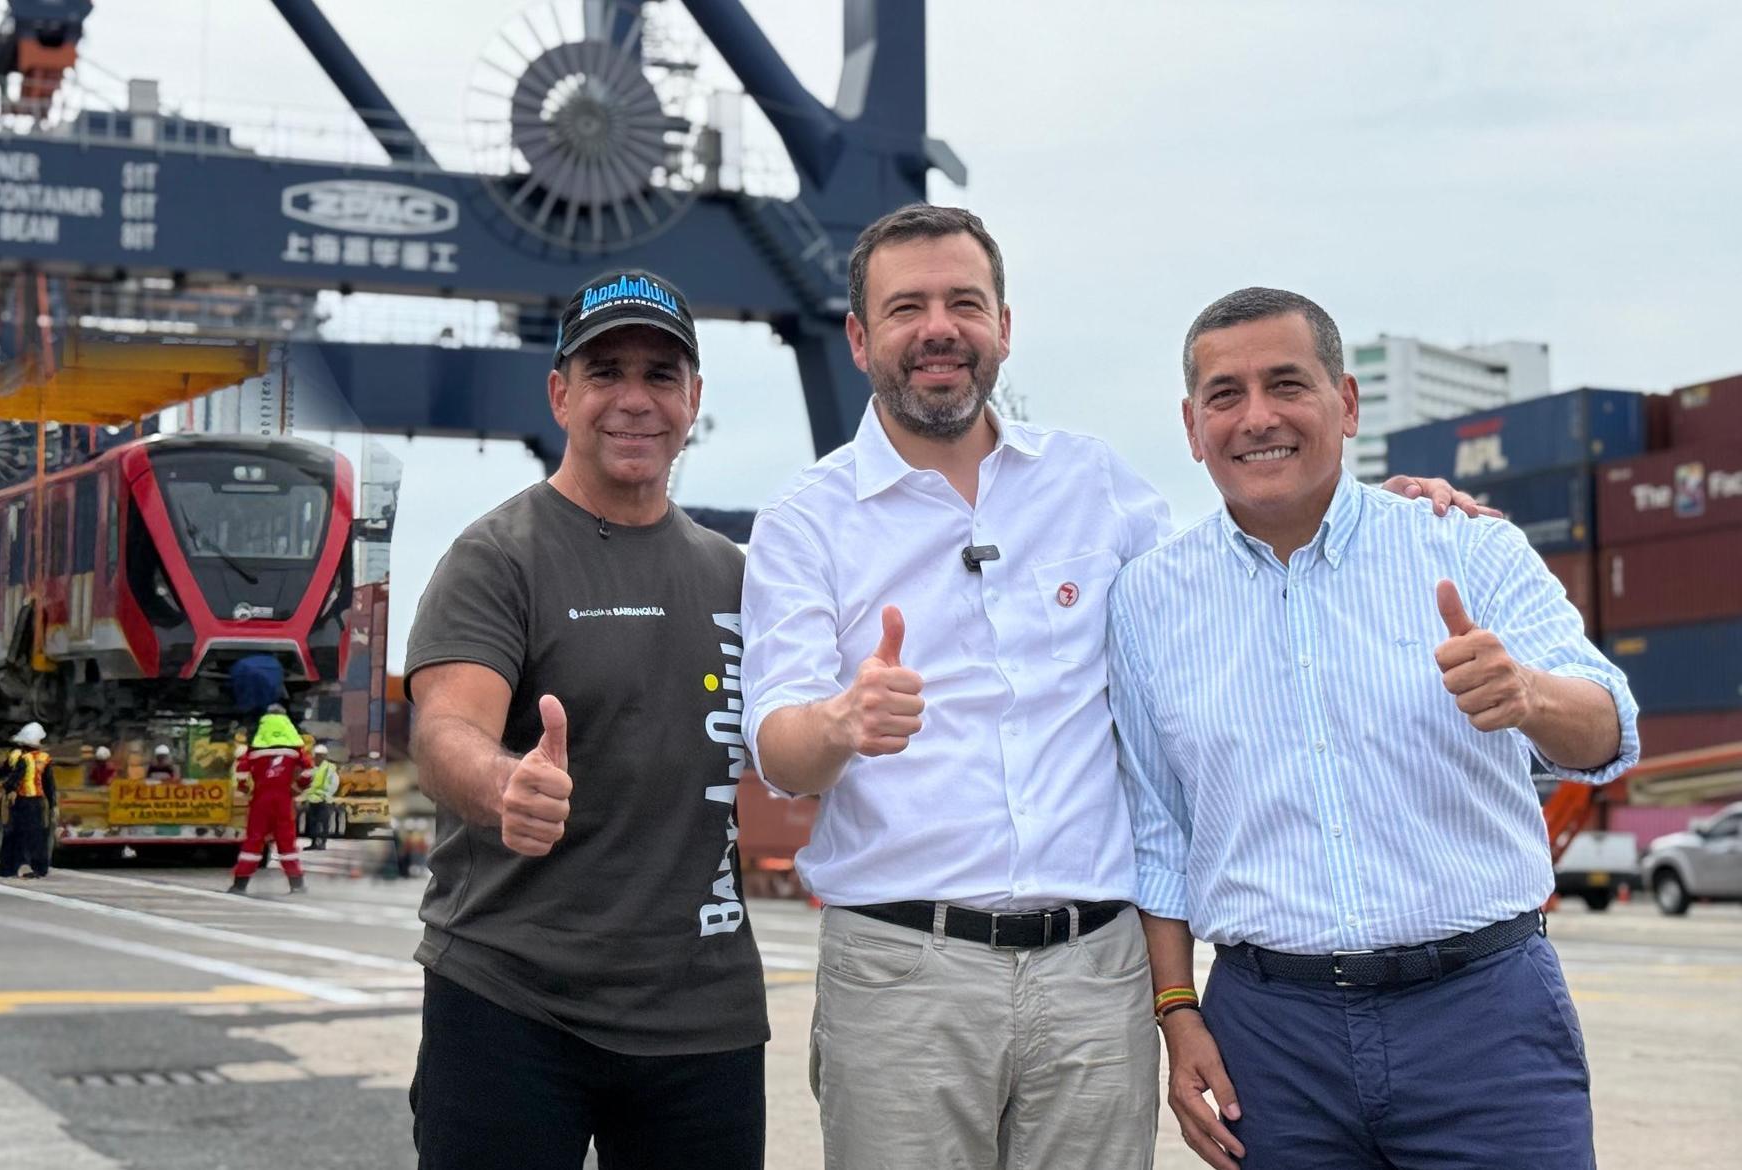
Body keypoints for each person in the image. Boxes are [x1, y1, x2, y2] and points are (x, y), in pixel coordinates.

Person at [740, 205, 1489, 1169]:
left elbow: (1231, 571)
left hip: (1094, 975)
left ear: (1003, 326)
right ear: (858, 338)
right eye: (906, 308)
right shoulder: (806, 522)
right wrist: (841, 722)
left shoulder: (1093, 483)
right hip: (901, 973)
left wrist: (1382, 508)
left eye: (964, 303)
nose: (939, 328)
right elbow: (779, 750)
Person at [1109, 287, 1640, 1170]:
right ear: (1192, 425)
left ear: (1346, 404)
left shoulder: (1465, 548)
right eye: (1224, 395)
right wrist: (1175, 1010)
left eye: (1287, 384)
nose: (1257, 418)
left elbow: (1606, 725)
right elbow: (1158, 829)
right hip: (1269, 1040)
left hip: (1483, 1018)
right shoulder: (1146, 602)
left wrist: (1528, 696)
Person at [404, 268, 766, 1169]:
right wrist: (502, 785)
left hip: (702, 1017)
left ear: (693, 400)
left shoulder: (737, 573)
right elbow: (446, 731)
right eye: (606, 373)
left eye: (659, 375)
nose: (634, 400)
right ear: (560, 394)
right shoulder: (496, 557)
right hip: (511, 1004)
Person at [228, 708, 310, 895]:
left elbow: (241, 770)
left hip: (261, 799)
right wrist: (298, 787)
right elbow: (309, 771)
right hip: (283, 799)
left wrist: (244, 788)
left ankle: (240, 884)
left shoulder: (255, 748)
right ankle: (296, 883)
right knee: (287, 841)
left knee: (253, 840)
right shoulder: (295, 749)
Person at [0, 722, 56, 880]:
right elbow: (49, 784)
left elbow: (14, 777)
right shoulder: (45, 759)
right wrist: (53, 805)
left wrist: (5, 788)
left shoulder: (22, 758)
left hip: (22, 802)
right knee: (37, 836)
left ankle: (8, 868)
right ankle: (40, 868)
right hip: (38, 802)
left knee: (13, 834)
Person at [301, 742, 340, 850]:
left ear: (324, 756)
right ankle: (314, 843)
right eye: (317, 755)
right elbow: (306, 778)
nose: (318, 757)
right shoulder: (313, 767)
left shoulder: (329, 768)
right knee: (312, 823)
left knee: (323, 822)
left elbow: (334, 783)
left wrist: (326, 795)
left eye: (320, 755)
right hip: (312, 799)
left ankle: (322, 843)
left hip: (324, 800)